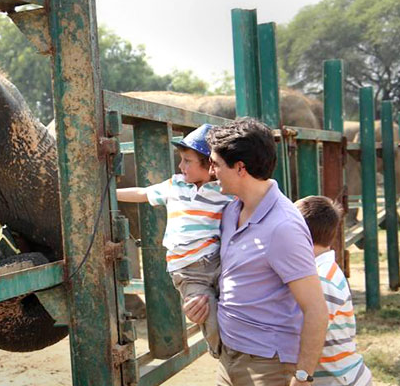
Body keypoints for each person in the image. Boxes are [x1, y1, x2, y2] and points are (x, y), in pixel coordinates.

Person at [184, 118, 329, 385]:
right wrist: (204, 304)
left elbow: (316, 310)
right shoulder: (231, 211)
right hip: (230, 358)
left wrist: (303, 375)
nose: (212, 172)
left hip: (268, 366)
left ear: (240, 167)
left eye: (215, 164)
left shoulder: (283, 227)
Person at [117, 123, 233, 358]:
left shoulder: (225, 191)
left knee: (234, 311)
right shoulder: (175, 185)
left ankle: (244, 353)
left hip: (219, 264)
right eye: (181, 160)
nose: (181, 166)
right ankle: (225, 357)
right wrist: (111, 193)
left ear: (211, 165)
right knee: (208, 317)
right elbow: (143, 193)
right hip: (189, 271)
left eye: (187, 161)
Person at [295, 196, 373, 386]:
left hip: (337, 380)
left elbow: (313, 331)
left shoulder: (320, 280)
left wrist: (301, 377)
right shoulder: (324, 270)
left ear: (299, 233)